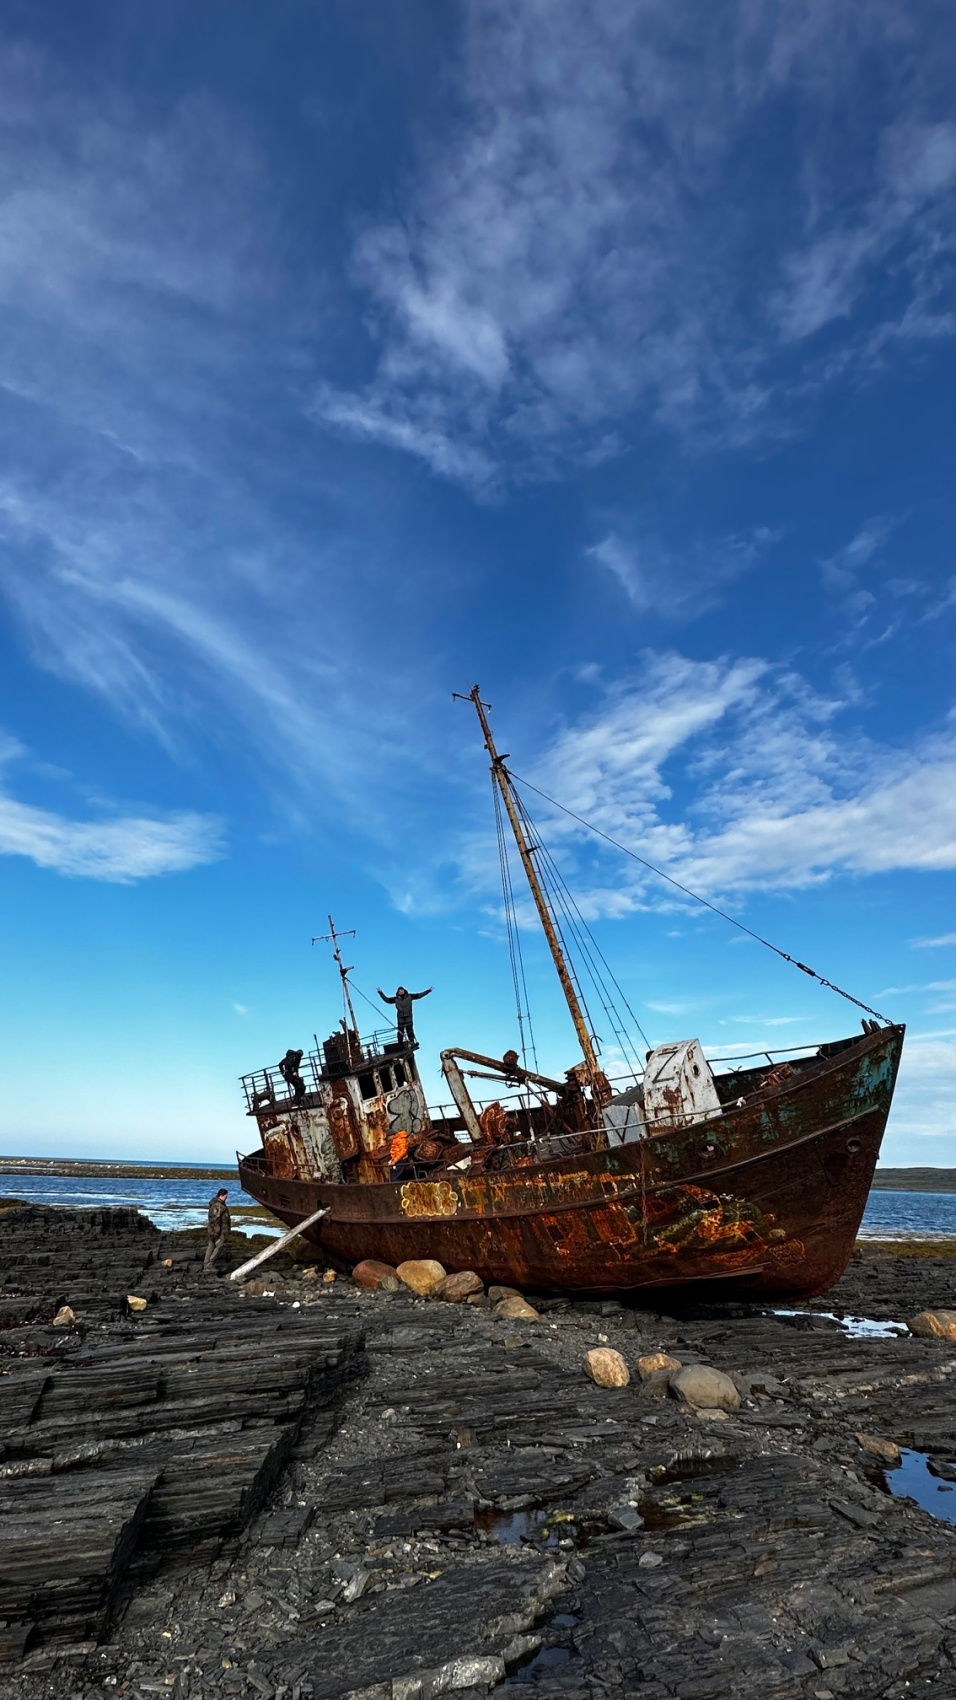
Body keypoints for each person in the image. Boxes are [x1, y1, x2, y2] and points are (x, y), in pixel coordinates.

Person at [204, 1187, 231, 1273]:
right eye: (226, 1195)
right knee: (219, 1245)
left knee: (211, 1245)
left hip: (214, 1229)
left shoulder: (217, 1204)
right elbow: (216, 1219)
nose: (227, 1197)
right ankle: (209, 1264)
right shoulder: (218, 1205)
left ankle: (206, 1264)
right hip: (219, 1230)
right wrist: (217, 1231)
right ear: (222, 1195)